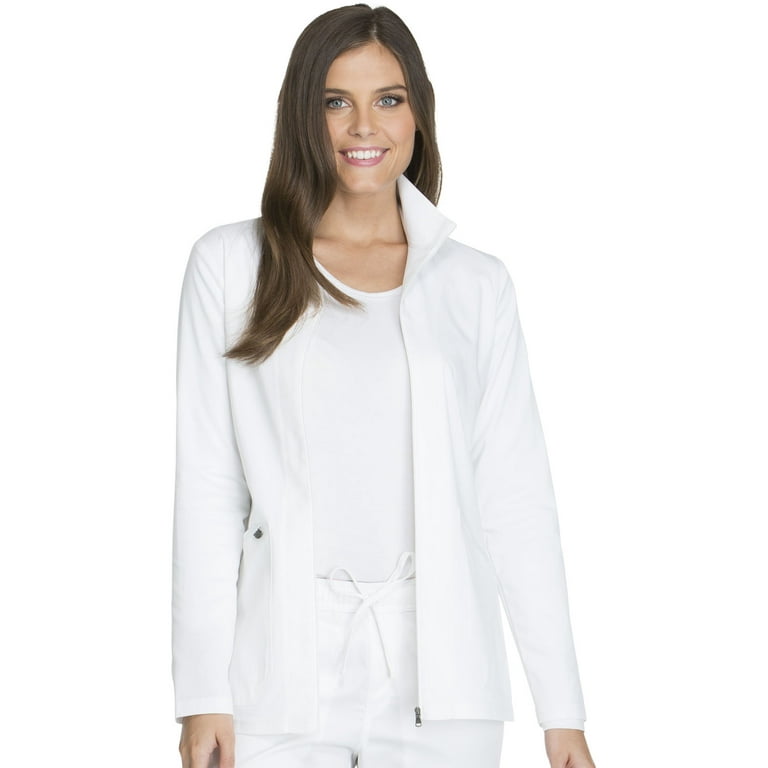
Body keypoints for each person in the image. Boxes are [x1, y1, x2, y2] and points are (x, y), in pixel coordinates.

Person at [172, 5, 597, 768]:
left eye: (388, 99)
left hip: (446, 680)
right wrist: (203, 692)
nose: (363, 125)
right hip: (278, 674)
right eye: (335, 101)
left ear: (419, 113)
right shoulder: (232, 266)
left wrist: (560, 713)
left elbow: (515, 499)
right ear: (302, 117)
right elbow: (209, 485)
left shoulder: (475, 285)